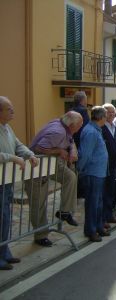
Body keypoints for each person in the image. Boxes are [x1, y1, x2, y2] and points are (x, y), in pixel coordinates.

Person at [27, 111, 82, 247]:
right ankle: (41, 235)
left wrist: (72, 150)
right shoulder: (58, 131)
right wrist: (59, 151)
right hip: (35, 169)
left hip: (49, 165)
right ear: (72, 124)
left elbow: (70, 141)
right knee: (38, 203)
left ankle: (64, 211)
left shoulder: (63, 127)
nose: (81, 127)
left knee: (70, 177)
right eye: (80, 124)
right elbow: (40, 147)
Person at [0, 96, 38, 270]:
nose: (13, 112)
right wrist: (12, 158)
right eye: (9, 109)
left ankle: (5, 252)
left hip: (5, 181)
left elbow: (18, 144)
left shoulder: (7, 128)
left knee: (5, 217)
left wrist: (29, 154)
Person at [78, 107, 108, 242]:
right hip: (92, 173)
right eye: (106, 117)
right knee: (92, 203)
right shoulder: (91, 132)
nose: (106, 119)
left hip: (99, 172)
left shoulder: (96, 130)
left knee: (98, 202)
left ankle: (98, 226)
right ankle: (91, 230)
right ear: (101, 118)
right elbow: (85, 154)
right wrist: (80, 169)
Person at [101, 104, 116, 228]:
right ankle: (102, 218)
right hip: (103, 165)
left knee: (110, 191)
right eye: (109, 113)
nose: (111, 115)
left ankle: (109, 215)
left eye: (113, 113)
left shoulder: (114, 126)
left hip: (113, 165)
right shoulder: (101, 128)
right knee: (102, 193)